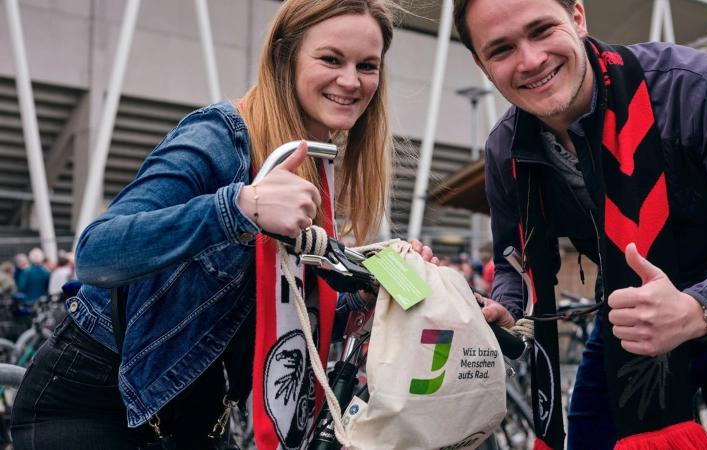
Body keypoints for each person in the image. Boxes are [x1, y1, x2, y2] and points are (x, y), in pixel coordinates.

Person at [10, 1, 432, 448]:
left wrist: (367, 295)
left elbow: (277, 317)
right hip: (92, 402)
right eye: (331, 59)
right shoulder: (221, 135)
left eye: (367, 66)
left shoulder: (315, 164)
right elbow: (96, 252)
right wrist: (240, 207)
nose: (351, 81)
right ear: (284, 56)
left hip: (195, 411)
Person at [453, 0, 707, 449]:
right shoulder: (505, 151)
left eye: (541, 30)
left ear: (578, 17)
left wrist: (697, 308)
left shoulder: (693, 87)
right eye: (501, 50)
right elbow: (512, 262)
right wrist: (506, 308)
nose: (531, 60)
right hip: (626, 323)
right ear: (481, 65)